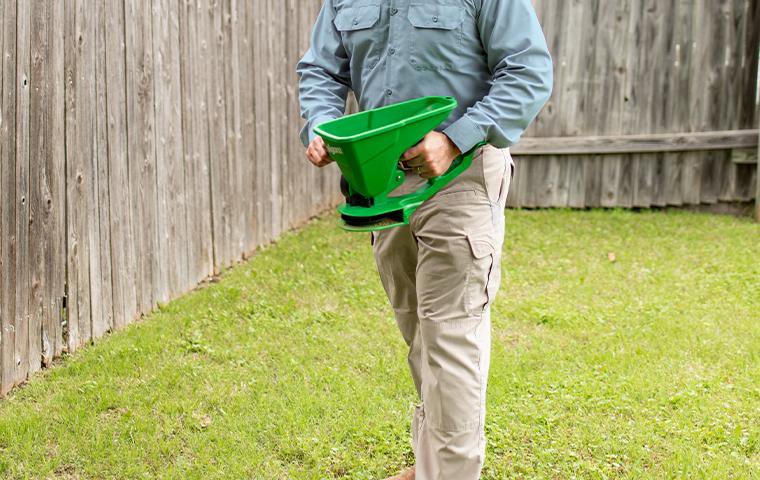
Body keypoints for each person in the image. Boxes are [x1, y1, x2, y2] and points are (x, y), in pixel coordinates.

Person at [297, 1, 552, 478]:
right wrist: (320, 124)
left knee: (450, 335)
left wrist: (454, 138)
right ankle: (434, 461)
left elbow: (528, 71)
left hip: (462, 175)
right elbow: (321, 69)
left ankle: (449, 473)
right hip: (381, 182)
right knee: (418, 331)